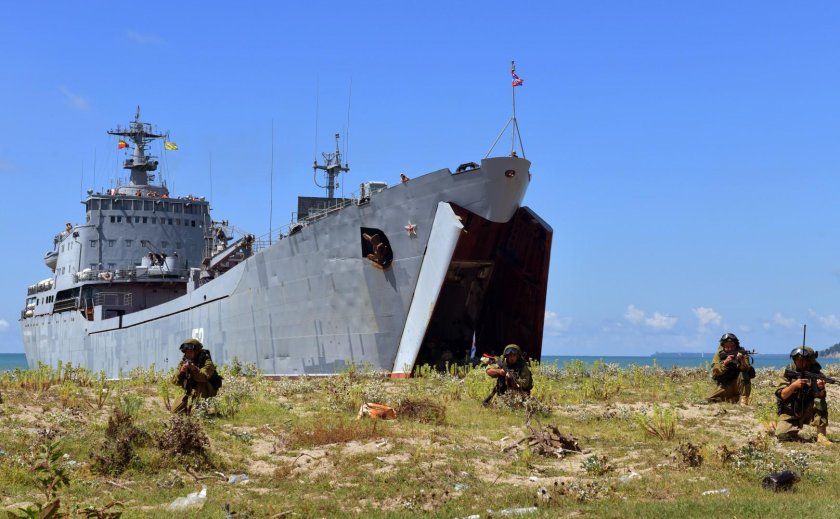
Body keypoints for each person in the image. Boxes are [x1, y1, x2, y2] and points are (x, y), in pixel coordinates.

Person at [775, 346, 831, 444]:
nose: (802, 363)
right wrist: (794, 385)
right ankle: (780, 426)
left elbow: (821, 396)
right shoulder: (788, 372)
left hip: (808, 410)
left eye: (805, 361)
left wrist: (821, 388)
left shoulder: (816, 374)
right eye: (799, 360)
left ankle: (821, 435)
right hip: (792, 412)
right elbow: (782, 395)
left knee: (820, 402)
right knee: (782, 436)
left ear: (811, 361)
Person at [171, 338, 218, 414]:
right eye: (186, 352)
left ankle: (201, 407)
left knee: (196, 412)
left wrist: (195, 369)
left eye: (190, 352)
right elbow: (174, 381)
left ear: (197, 352)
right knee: (175, 411)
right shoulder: (183, 362)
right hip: (190, 391)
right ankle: (191, 406)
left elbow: (204, 377)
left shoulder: (207, 362)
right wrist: (181, 371)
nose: (188, 354)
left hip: (205, 391)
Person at [707, 332, 755, 405]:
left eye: (732, 346)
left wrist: (741, 360)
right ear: (723, 346)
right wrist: (726, 362)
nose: (730, 349)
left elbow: (747, 371)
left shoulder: (742, 353)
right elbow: (715, 371)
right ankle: (733, 399)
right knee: (710, 400)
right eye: (727, 347)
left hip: (738, 385)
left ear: (736, 345)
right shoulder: (719, 354)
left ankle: (744, 401)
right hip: (725, 386)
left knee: (743, 375)